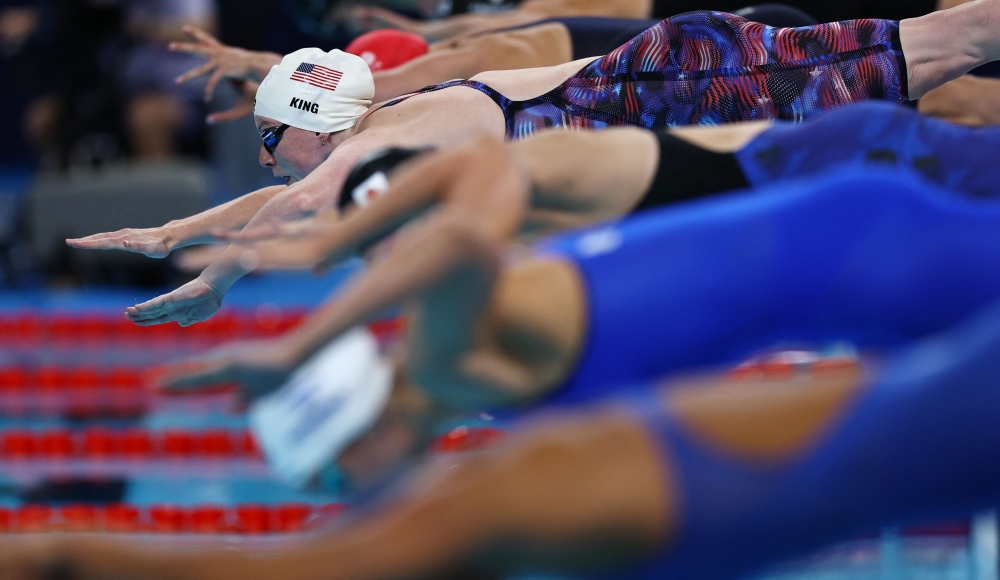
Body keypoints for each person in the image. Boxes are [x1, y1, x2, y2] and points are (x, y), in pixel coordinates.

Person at [70, 1, 1000, 326]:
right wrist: (181, 228)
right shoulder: (399, 123)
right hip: (691, 82)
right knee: (937, 68)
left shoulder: (396, 134)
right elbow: (295, 194)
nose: (270, 163)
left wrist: (212, 272)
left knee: (948, 55)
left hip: (696, 86)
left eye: (272, 142)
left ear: (306, 126)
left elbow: (295, 207)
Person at [7, 297, 1000, 580]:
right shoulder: (516, 444)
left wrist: (48, 547)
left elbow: (274, 573)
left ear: (365, 437)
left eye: (324, 469)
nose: (333, 488)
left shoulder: (480, 500)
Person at [150, 168, 1000, 422]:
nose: (362, 489)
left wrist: (298, 339)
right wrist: (272, 256)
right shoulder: (476, 336)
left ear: (362, 431)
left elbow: (453, 240)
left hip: (877, 270)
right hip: (856, 232)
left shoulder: (449, 362)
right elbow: (475, 177)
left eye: (344, 473)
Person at [171, 5, 817, 105]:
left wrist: (261, 65)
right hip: (737, 46)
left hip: (742, 48)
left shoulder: (487, 60)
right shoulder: (488, 50)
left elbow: (370, 81)